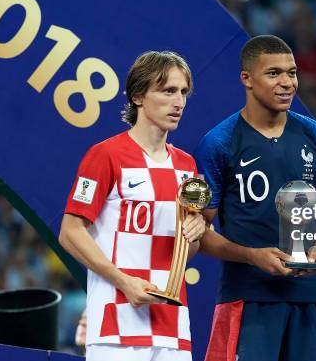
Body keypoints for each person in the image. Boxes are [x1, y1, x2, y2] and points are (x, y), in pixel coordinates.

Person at [194, 35, 316, 361]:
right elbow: (199, 235)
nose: (287, 83)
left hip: (309, 298)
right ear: (246, 79)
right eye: (274, 73)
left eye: (291, 73)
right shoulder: (219, 143)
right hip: (247, 299)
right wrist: (252, 256)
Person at [59, 51, 206, 361]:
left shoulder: (187, 165)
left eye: (183, 92)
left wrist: (195, 232)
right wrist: (123, 281)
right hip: (115, 328)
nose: (178, 102)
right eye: (167, 91)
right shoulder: (106, 155)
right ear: (138, 96)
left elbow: (183, 254)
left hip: (172, 328)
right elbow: (70, 232)